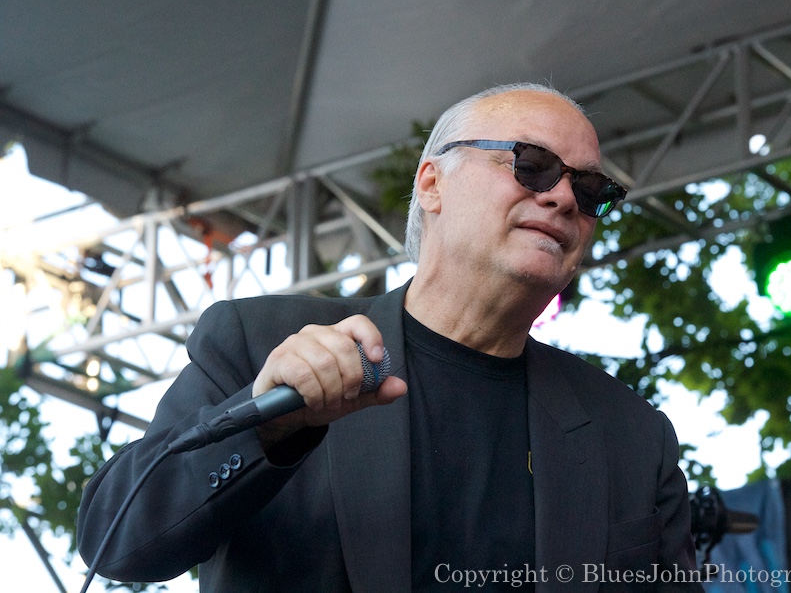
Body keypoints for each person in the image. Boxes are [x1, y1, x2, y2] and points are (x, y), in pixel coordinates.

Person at [78, 83, 703, 591]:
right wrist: (266, 427)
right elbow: (117, 541)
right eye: (532, 167)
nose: (565, 197)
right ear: (432, 184)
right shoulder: (263, 338)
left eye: (591, 191)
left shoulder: (629, 433)